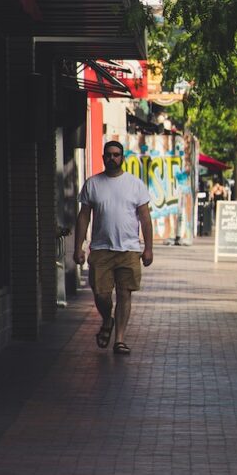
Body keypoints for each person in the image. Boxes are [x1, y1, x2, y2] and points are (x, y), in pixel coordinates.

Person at [73, 141, 153, 355]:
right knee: (101, 295)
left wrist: (148, 248)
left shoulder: (135, 184)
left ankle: (119, 339)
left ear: (122, 157)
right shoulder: (92, 184)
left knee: (125, 293)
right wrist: (78, 247)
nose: (112, 158)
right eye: (108, 155)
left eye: (116, 155)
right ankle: (107, 320)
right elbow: (83, 217)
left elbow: (145, 219)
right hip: (101, 249)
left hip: (129, 249)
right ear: (103, 157)